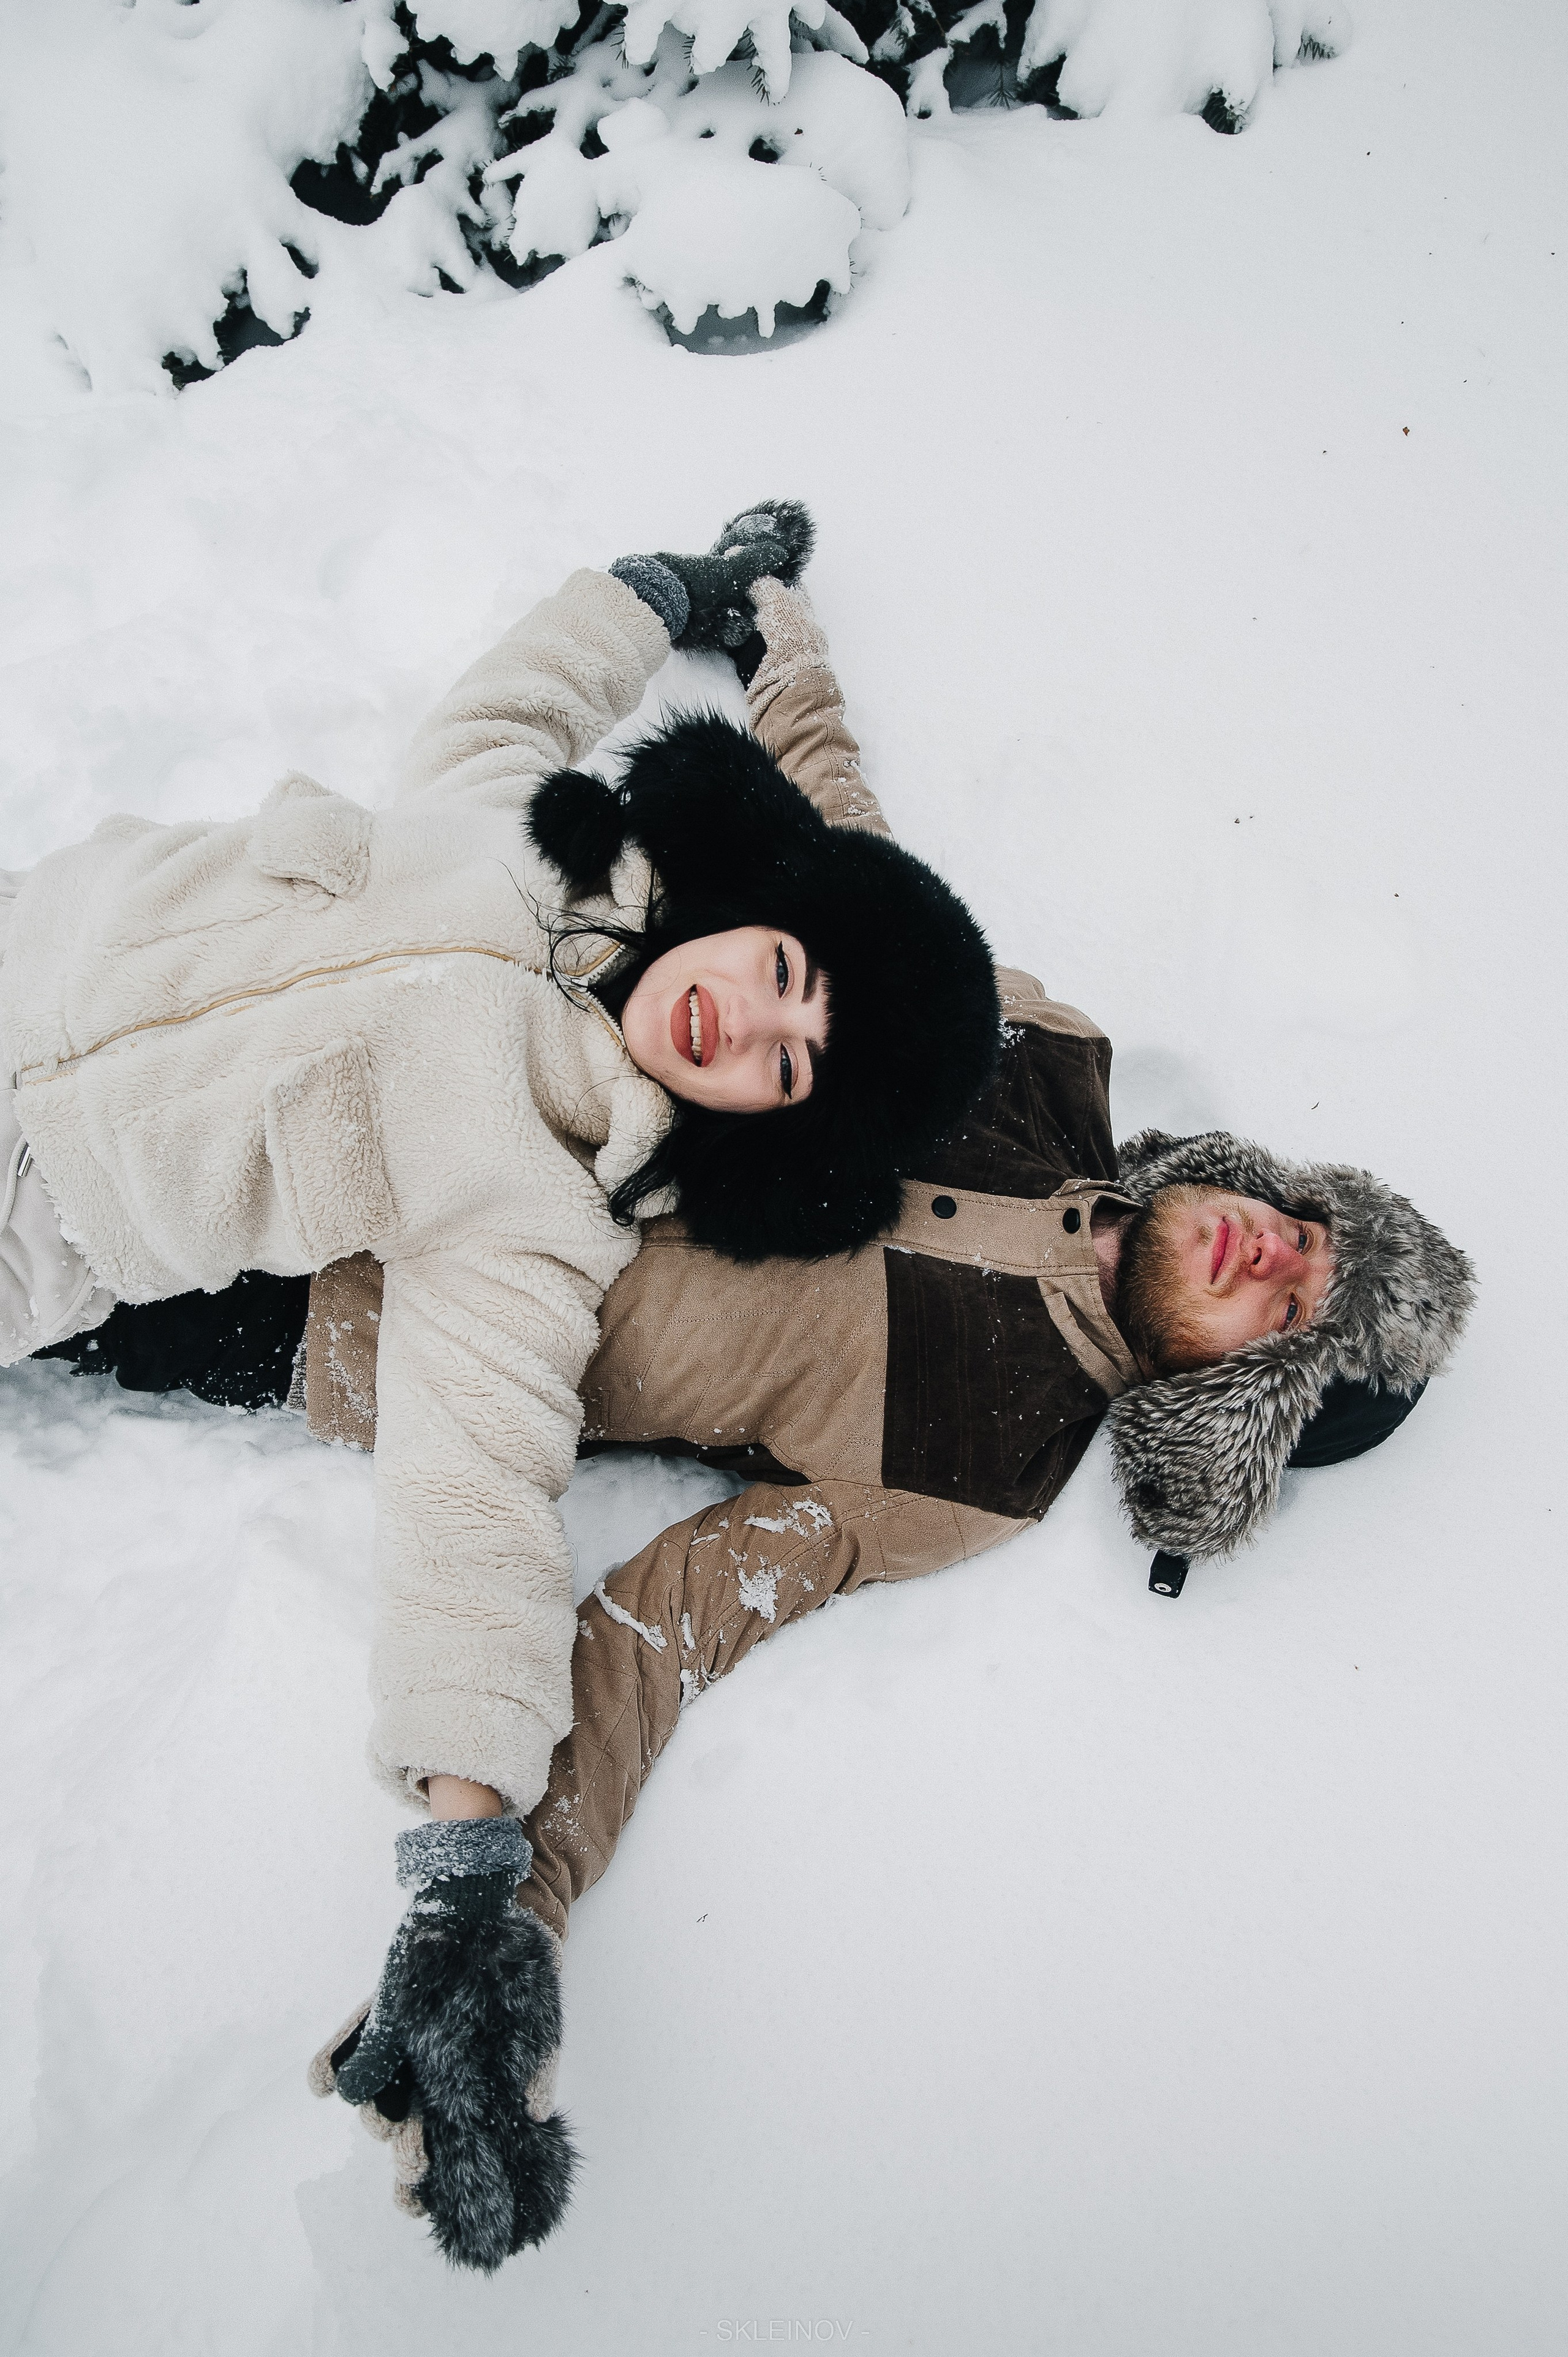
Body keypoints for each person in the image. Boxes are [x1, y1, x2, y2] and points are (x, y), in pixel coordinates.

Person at [41, 566, 1476, 2271]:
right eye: (1310, 1225)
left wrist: (506, 1905)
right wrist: (778, 634)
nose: (1278, 1253)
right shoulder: (1051, 1055)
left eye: (1294, 1316)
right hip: (394, 982)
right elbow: (850, 886)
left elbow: (671, 1622)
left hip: (337, 1307)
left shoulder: (978, 1464)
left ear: (1233, 1401)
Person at [0, 505, 1005, 2268]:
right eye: (784, 974)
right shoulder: (523, 835)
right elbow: (523, 692)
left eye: (791, 1068)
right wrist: (662, 595)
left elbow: (473, 1498)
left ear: (774, 1129)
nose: (749, 1025)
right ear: (755, 914)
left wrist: (468, 1859)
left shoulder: (541, 1203)